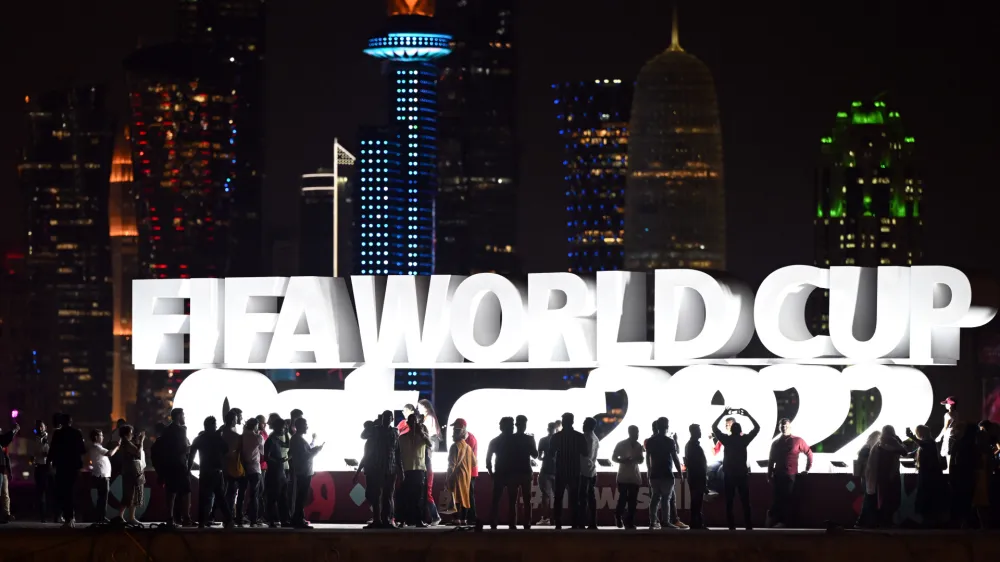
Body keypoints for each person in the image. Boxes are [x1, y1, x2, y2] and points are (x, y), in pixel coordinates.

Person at [712, 407, 761, 530]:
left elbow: (714, 427)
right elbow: (757, 428)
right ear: (740, 430)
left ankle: (731, 525)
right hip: (741, 474)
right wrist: (748, 415)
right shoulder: (744, 440)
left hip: (729, 474)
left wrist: (723, 414)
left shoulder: (727, 440)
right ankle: (748, 524)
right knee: (745, 501)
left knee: (729, 501)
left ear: (732, 430)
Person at [356, 411, 401, 528]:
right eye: (384, 417)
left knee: (388, 495)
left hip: (390, 467)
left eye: (389, 418)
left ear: (392, 419)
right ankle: (377, 520)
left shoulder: (395, 432)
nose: (386, 420)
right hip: (377, 468)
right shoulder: (375, 430)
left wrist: (400, 469)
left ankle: (387, 520)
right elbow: (363, 436)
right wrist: (371, 426)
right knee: (376, 495)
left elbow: (398, 451)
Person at [766, 418, 813, 528]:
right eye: (782, 426)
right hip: (778, 475)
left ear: (790, 427)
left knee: (788, 499)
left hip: (790, 475)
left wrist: (807, 469)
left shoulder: (797, 440)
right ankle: (775, 521)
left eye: (786, 426)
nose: (784, 428)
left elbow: (809, 453)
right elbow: (771, 460)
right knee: (778, 499)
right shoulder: (776, 443)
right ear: (779, 428)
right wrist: (769, 475)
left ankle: (783, 522)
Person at [189, 416, 232, 528]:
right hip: (217, 472)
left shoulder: (199, 439)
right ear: (212, 426)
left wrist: (188, 469)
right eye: (215, 425)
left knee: (203, 498)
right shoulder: (218, 439)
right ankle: (229, 520)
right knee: (220, 497)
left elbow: (191, 455)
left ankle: (202, 522)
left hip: (204, 472)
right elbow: (226, 450)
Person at [549, 412, 589, 530]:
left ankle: (558, 522)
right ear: (572, 422)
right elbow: (585, 453)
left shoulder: (556, 437)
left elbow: (551, 453)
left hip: (560, 471)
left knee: (558, 498)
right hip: (574, 472)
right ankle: (574, 522)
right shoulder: (579, 436)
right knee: (574, 499)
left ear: (563, 422)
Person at [864, 425, 907, 527]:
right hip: (891, 475)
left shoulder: (879, 444)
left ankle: (883, 521)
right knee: (892, 499)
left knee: (883, 499)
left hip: (881, 476)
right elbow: (904, 452)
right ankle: (887, 521)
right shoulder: (891, 442)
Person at [646, 417, 683, 530]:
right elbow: (675, 458)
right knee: (666, 499)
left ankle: (653, 522)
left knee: (655, 498)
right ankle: (665, 521)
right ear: (667, 426)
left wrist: (649, 471)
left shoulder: (650, 441)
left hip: (654, 474)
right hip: (666, 473)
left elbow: (648, 458)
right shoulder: (669, 441)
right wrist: (680, 472)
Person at [50, 413, 86, 528]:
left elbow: (52, 450)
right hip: (73, 466)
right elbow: (82, 450)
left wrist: (50, 463)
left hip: (61, 466)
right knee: (71, 491)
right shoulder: (77, 433)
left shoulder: (57, 434)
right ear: (71, 422)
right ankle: (71, 517)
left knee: (63, 492)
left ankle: (67, 517)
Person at [158, 408, 192, 527]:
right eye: (183, 415)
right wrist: (192, 447)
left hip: (169, 465)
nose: (184, 417)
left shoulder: (166, 430)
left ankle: (170, 518)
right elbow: (184, 448)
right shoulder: (182, 430)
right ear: (178, 416)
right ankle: (186, 517)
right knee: (186, 491)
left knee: (171, 492)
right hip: (180, 465)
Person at [289, 417, 323, 529]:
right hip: (303, 471)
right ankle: (298, 519)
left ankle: (298, 518)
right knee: (302, 496)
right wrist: (317, 450)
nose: (307, 427)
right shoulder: (297, 440)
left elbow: (306, 451)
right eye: (305, 424)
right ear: (299, 426)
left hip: (303, 470)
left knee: (302, 496)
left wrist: (313, 444)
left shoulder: (298, 439)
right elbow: (306, 455)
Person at [907, 425, 944, 527]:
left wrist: (912, 437)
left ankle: (929, 520)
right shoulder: (928, 442)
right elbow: (916, 450)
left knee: (927, 495)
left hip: (930, 474)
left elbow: (924, 446)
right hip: (927, 473)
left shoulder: (929, 442)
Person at [398, 413, 431, 527]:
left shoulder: (422, 437)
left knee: (418, 496)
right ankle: (403, 520)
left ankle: (418, 520)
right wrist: (399, 469)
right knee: (405, 496)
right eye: (411, 422)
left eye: (415, 422)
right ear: (407, 423)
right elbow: (398, 454)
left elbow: (430, 444)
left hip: (419, 469)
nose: (413, 424)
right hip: (406, 469)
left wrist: (422, 433)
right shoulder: (402, 438)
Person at [486, 417, 515, 529]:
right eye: (511, 425)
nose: (512, 427)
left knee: (496, 500)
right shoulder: (516, 441)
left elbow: (488, 459)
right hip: (512, 473)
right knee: (512, 500)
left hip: (500, 473)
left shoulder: (495, 441)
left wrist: (491, 472)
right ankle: (512, 523)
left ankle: (494, 521)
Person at [612, 425, 644, 529]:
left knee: (633, 501)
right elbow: (613, 458)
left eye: (638, 432)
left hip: (634, 476)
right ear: (630, 433)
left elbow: (641, 460)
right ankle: (618, 515)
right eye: (635, 432)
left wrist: (638, 459)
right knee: (623, 499)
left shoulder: (639, 446)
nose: (637, 434)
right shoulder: (621, 444)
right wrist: (622, 461)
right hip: (623, 476)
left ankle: (629, 522)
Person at [449, 418, 478, 525]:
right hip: (467, 472)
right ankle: (465, 519)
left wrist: (448, 477)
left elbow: (452, 463)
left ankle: (467, 518)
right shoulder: (467, 444)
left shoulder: (465, 441)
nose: (453, 430)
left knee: (459, 496)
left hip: (463, 473)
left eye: (455, 428)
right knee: (465, 496)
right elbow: (474, 461)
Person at [87, 429, 119, 524]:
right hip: (102, 475)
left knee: (102, 497)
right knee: (103, 498)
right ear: (96, 437)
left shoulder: (96, 447)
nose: (103, 437)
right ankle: (101, 517)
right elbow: (110, 453)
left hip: (101, 475)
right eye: (101, 435)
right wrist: (117, 447)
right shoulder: (97, 447)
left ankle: (100, 516)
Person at [221, 409, 247, 525]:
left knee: (228, 493)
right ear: (232, 421)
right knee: (231, 493)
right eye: (236, 419)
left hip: (224, 467)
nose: (238, 420)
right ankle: (230, 516)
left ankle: (229, 516)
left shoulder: (221, 432)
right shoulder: (235, 435)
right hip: (233, 467)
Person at [418, 399, 442, 525]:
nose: (418, 409)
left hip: (430, 446)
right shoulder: (428, 418)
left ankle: (435, 516)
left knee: (427, 492)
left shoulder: (429, 418)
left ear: (425, 407)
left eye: (420, 407)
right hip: (428, 451)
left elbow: (428, 434)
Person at [116, 425, 146, 528]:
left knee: (130, 494)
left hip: (130, 471)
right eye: (131, 433)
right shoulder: (126, 443)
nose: (132, 435)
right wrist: (141, 441)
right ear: (126, 434)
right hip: (131, 472)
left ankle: (121, 516)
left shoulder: (126, 443)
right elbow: (137, 452)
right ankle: (131, 518)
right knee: (132, 494)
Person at [263, 416, 290, 527]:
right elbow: (266, 457)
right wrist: (278, 461)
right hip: (274, 473)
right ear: (277, 427)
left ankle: (284, 520)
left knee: (283, 497)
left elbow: (287, 445)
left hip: (280, 472)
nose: (284, 430)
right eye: (283, 428)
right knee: (273, 497)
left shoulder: (277, 439)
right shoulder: (270, 440)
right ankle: (271, 520)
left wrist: (287, 433)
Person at [854, 430, 881, 528]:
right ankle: (863, 521)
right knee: (869, 499)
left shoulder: (866, 447)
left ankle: (865, 521)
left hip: (866, 477)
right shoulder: (868, 449)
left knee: (869, 499)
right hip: (868, 477)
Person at [684, 424, 709, 530]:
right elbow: (697, 464)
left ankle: (696, 522)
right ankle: (696, 523)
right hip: (697, 477)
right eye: (698, 430)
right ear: (694, 432)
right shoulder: (693, 446)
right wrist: (703, 479)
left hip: (694, 477)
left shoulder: (690, 445)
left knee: (696, 501)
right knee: (697, 501)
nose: (700, 432)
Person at [241, 418, 264, 527]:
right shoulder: (258, 437)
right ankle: (253, 520)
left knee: (242, 494)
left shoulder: (242, 436)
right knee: (254, 494)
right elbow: (262, 451)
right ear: (255, 426)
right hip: (255, 468)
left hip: (243, 468)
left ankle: (239, 517)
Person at [535, 422, 558, 526]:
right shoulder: (560, 440)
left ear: (548, 429)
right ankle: (556, 518)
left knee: (546, 496)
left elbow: (539, 456)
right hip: (557, 471)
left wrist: (545, 458)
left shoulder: (543, 440)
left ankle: (545, 518)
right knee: (557, 496)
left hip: (546, 470)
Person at [579, 417, 599, 530]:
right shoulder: (595, 438)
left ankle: (582, 522)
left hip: (583, 471)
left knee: (582, 498)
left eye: (584, 423)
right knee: (591, 498)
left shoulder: (586, 437)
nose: (582, 425)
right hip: (592, 471)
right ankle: (593, 522)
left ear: (588, 425)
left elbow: (585, 454)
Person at [29, 420, 50, 522]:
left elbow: (49, 452)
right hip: (39, 467)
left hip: (48, 467)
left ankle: (53, 514)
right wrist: (32, 460)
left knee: (49, 490)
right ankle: (42, 516)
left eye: (41, 426)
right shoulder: (35, 439)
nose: (40, 428)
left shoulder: (49, 438)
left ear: (45, 427)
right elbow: (32, 454)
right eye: (38, 427)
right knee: (40, 491)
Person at [0, 421, 20, 524]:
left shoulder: (3, 446)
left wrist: (9, 471)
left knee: (5, 493)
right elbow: (5, 438)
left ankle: (6, 514)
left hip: (2, 471)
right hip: (1, 470)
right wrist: (14, 430)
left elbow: (6, 458)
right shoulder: (1, 442)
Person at [936, 397, 956, 469]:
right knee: (952, 452)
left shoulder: (947, 414)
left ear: (950, 405)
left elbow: (945, 427)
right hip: (955, 434)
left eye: (946, 404)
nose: (945, 405)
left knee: (948, 453)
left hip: (948, 435)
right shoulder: (957, 414)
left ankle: (949, 469)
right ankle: (950, 468)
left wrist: (939, 437)